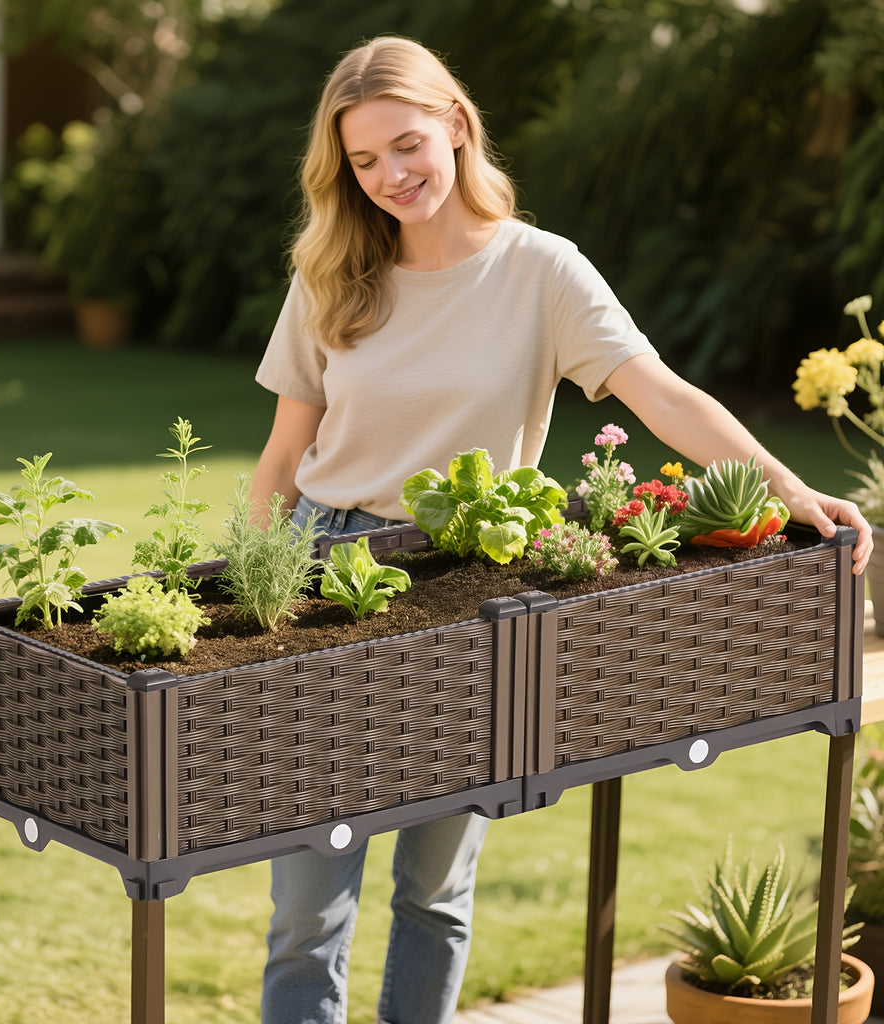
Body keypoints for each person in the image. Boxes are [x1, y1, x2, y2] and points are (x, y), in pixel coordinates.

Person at [249, 35, 872, 1024]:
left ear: (456, 124)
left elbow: (659, 392)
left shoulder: (540, 272)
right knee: (307, 900)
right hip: (332, 577)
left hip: (468, 587)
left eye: (405, 145)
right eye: (362, 161)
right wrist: (259, 585)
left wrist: (789, 488)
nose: (389, 176)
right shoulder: (332, 271)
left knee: (435, 891)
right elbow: (284, 457)